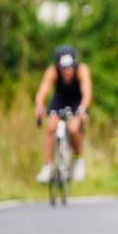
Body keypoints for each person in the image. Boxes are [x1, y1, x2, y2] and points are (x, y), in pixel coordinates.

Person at [35, 45, 92, 183]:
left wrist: (83, 108)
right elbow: (42, 91)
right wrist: (39, 106)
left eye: (70, 67)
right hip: (59, 99)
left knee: (73, 128)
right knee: (51, 126)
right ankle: (47, 167)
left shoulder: (82, 70)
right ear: (58, 66)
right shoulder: (52, 71)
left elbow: (87, 92)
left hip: (76, 101)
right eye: (63, 69)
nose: (67, 72)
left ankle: (78, 161)